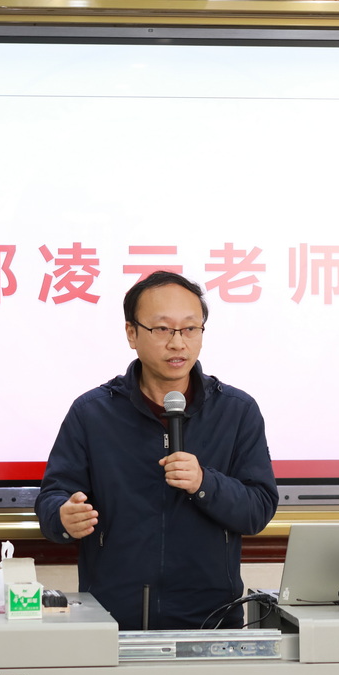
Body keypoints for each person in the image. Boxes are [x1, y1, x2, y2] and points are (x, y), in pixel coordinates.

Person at [35, 270, 278, 631]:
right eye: (162, 329)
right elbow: (52, 499)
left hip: (210, 621)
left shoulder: (237, 411)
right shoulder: (92, 413)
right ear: (132, 333)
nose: (178, 343)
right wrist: (63, 518)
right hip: (113, 620)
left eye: (190, 329)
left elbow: (258, 509)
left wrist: (204, 483)